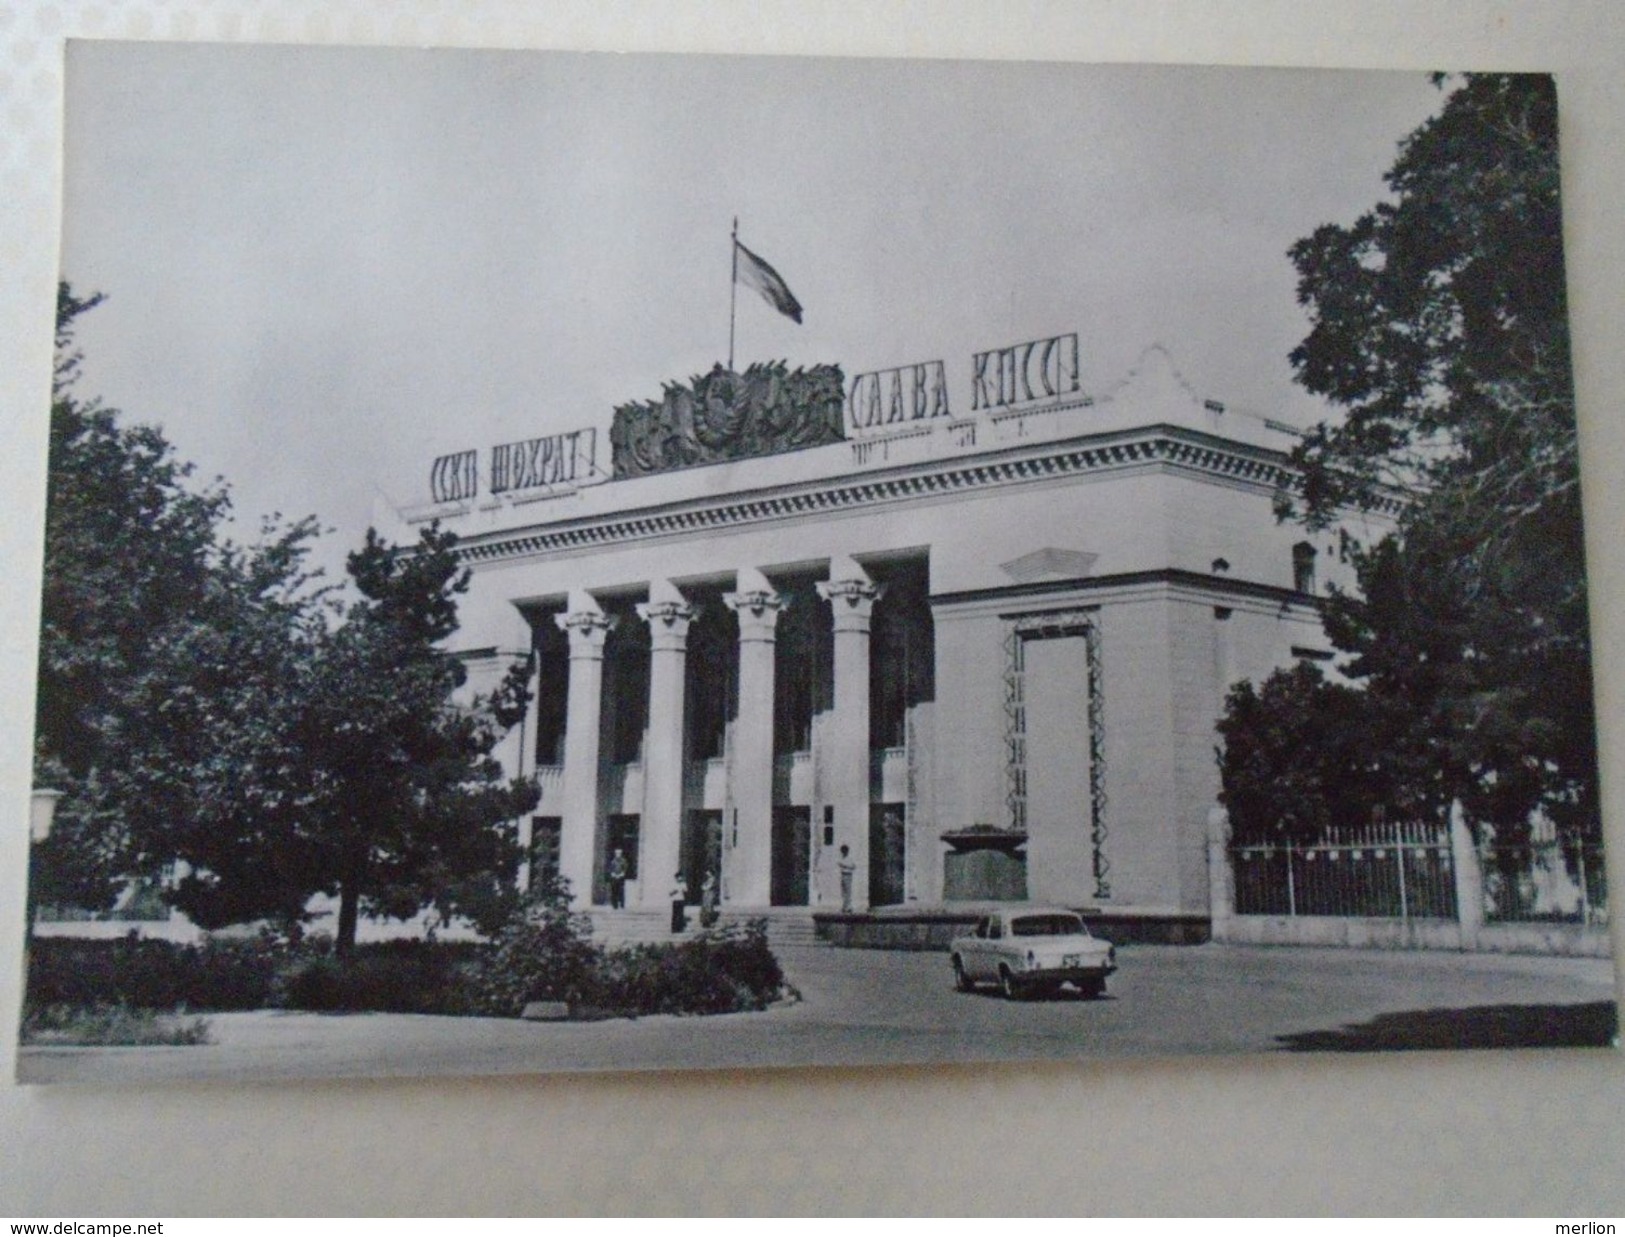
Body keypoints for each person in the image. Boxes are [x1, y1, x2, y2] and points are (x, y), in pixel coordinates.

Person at [837, 844, 857, 913]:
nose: (843, 852)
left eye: (844, 851)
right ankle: (844, 906)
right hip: (843, 875)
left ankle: (848, 907)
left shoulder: (850, 858)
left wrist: (845, 866)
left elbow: (853, 866)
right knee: (843, 892)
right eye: (842, 851)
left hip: (848, 875)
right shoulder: (841, 858)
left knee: (848, 891)